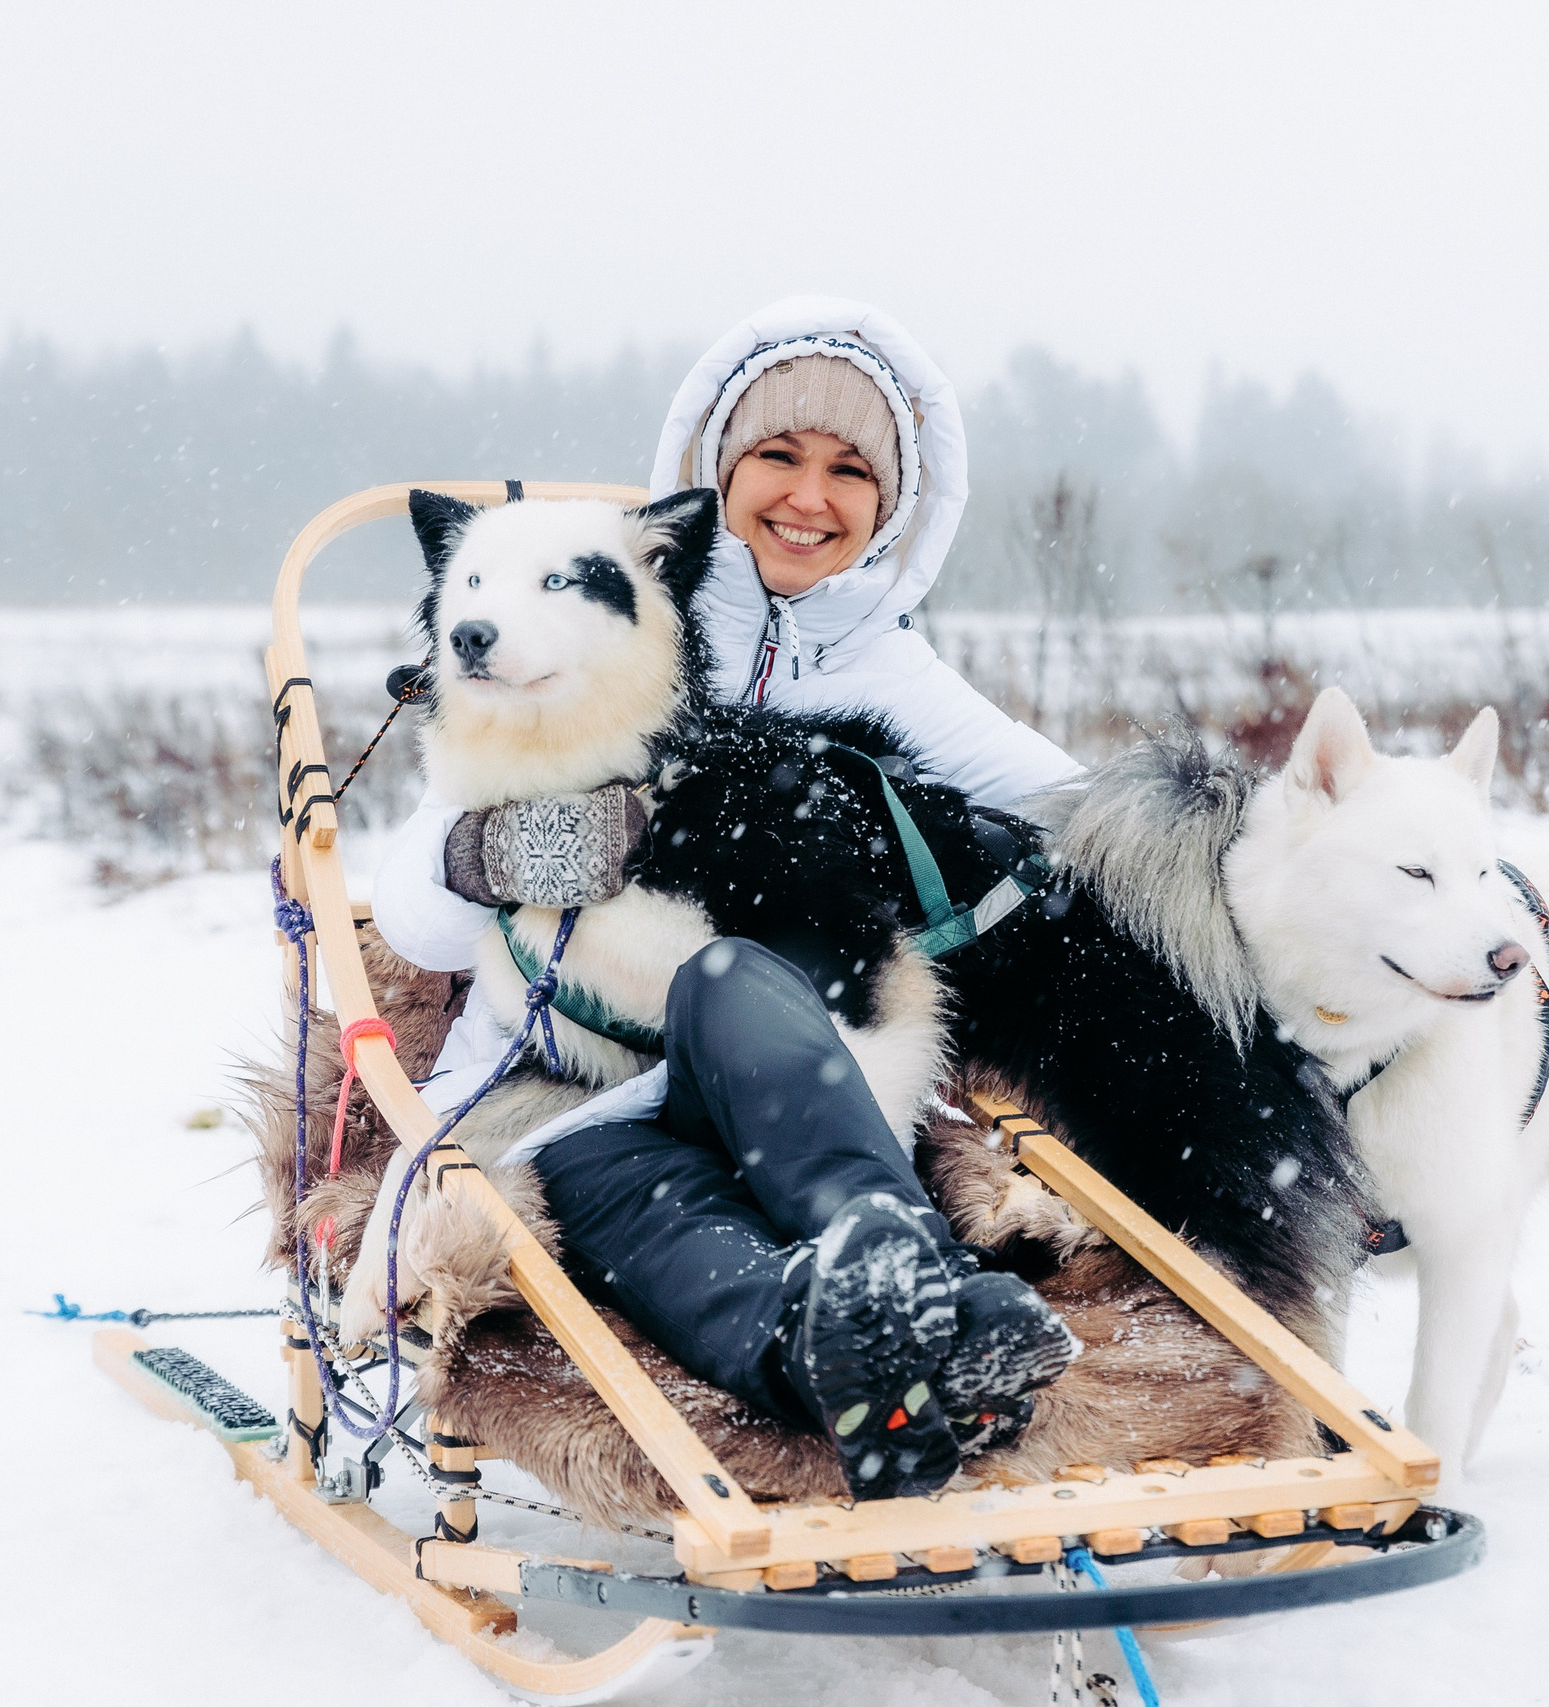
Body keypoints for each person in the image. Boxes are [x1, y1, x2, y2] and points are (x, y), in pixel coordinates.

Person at [371, 298, 1082, 1499]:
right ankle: (853, 1332)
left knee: (731, 984)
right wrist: (579, 843)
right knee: (613, 1179)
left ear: (894, 506)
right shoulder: (591, 607)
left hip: (778, 1053)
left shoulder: (895, 678)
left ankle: (879, 1284)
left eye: (850, 469)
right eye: (778, 456)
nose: (809, 496)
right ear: (716, 471)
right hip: (580, 1079)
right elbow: (423, 910)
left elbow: (1074, 812)